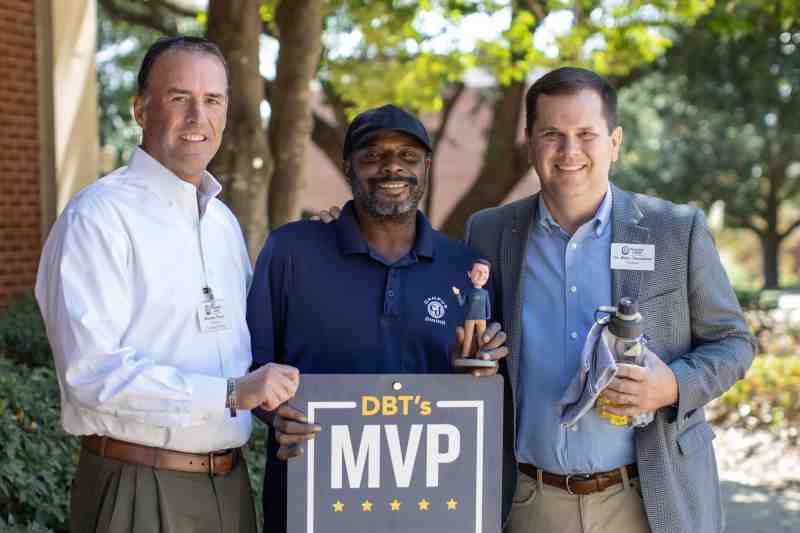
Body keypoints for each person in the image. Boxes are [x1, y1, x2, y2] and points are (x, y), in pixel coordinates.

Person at [463, 67, 755, 533]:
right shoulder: (489, 232)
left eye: (586, 134)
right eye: (552, 134)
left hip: (648, 498)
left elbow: (734, 343)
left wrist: (673, 386)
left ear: (614, 141)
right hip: (529, 503)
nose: (570, 151)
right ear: (530, 141)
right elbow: (470, 340)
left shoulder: (676, 230)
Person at [35, 36, 300, 533]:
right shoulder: (98, 218)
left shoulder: (221, 223)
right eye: (180, 98)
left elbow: (247, 349)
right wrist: (229, 393)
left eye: (213, 100)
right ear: (140, 109)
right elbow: (92, 374)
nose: (199, 116)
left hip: (229, 485)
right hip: (138, 485)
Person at [246, 104, 509, 533]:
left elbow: (474, 395)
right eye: (373, 155)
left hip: (431, 506)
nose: (391, 167)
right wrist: (276, 417)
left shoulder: (464, 268)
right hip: (313, 500)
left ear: (427, 166)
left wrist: (475, 373)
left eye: (408, 156)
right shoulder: (291, 251)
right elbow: (253, 367)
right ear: (347, 165)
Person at [452, 258, 492, 357]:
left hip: (482, 319)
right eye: (478, 272)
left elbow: (488, 305)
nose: (482, 275)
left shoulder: (485, 293)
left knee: (482, 338)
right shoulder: (468, 291)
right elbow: (461, 303)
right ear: (469, 274)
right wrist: (457, 294)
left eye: (485, 273)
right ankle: (464, 355)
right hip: (469, 318)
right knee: (468, 337)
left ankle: (482, 355)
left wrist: (488, 315)